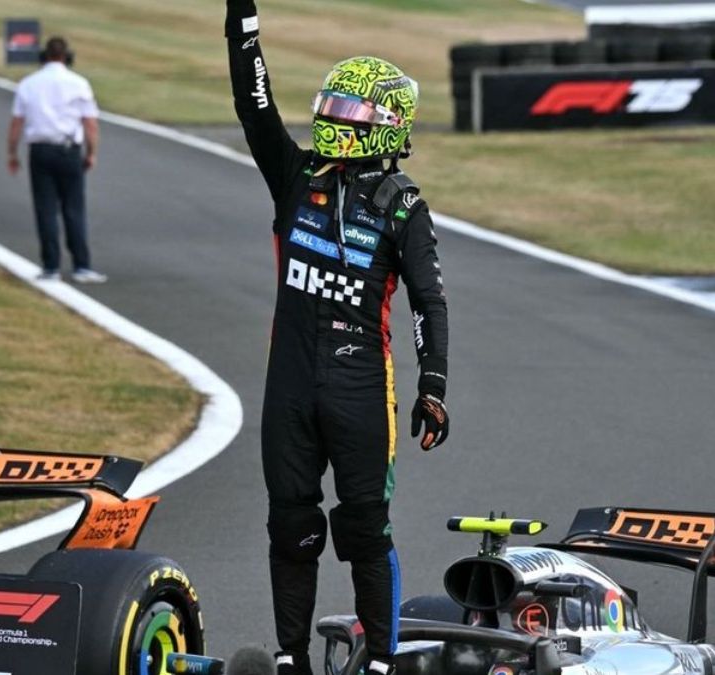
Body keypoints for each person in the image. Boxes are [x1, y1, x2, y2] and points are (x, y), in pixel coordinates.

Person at [226, 3, 451, 674]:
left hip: (361, 387)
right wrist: (243, 23)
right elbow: (254, 107)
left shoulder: (404, 205)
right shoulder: (295, 177)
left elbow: (429, 299)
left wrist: (433, 386)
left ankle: (380, 660)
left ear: (381, 124)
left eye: (345, 109)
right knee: (291, 525)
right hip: (290, 385)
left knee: (363, 529)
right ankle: (290, 658)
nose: (330, 116)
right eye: (330, 105)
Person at [7, 36, 107, 284]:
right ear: (67, 57)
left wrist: (12, 153)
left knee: (46, 209)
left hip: (40, 151)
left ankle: (50, 266)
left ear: (44, 56)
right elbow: (90, 123)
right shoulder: (79, 83)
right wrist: (91, 153)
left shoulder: (29, 83)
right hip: (68, 150)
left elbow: (17, 123)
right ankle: (81, 266)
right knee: (74, 209)